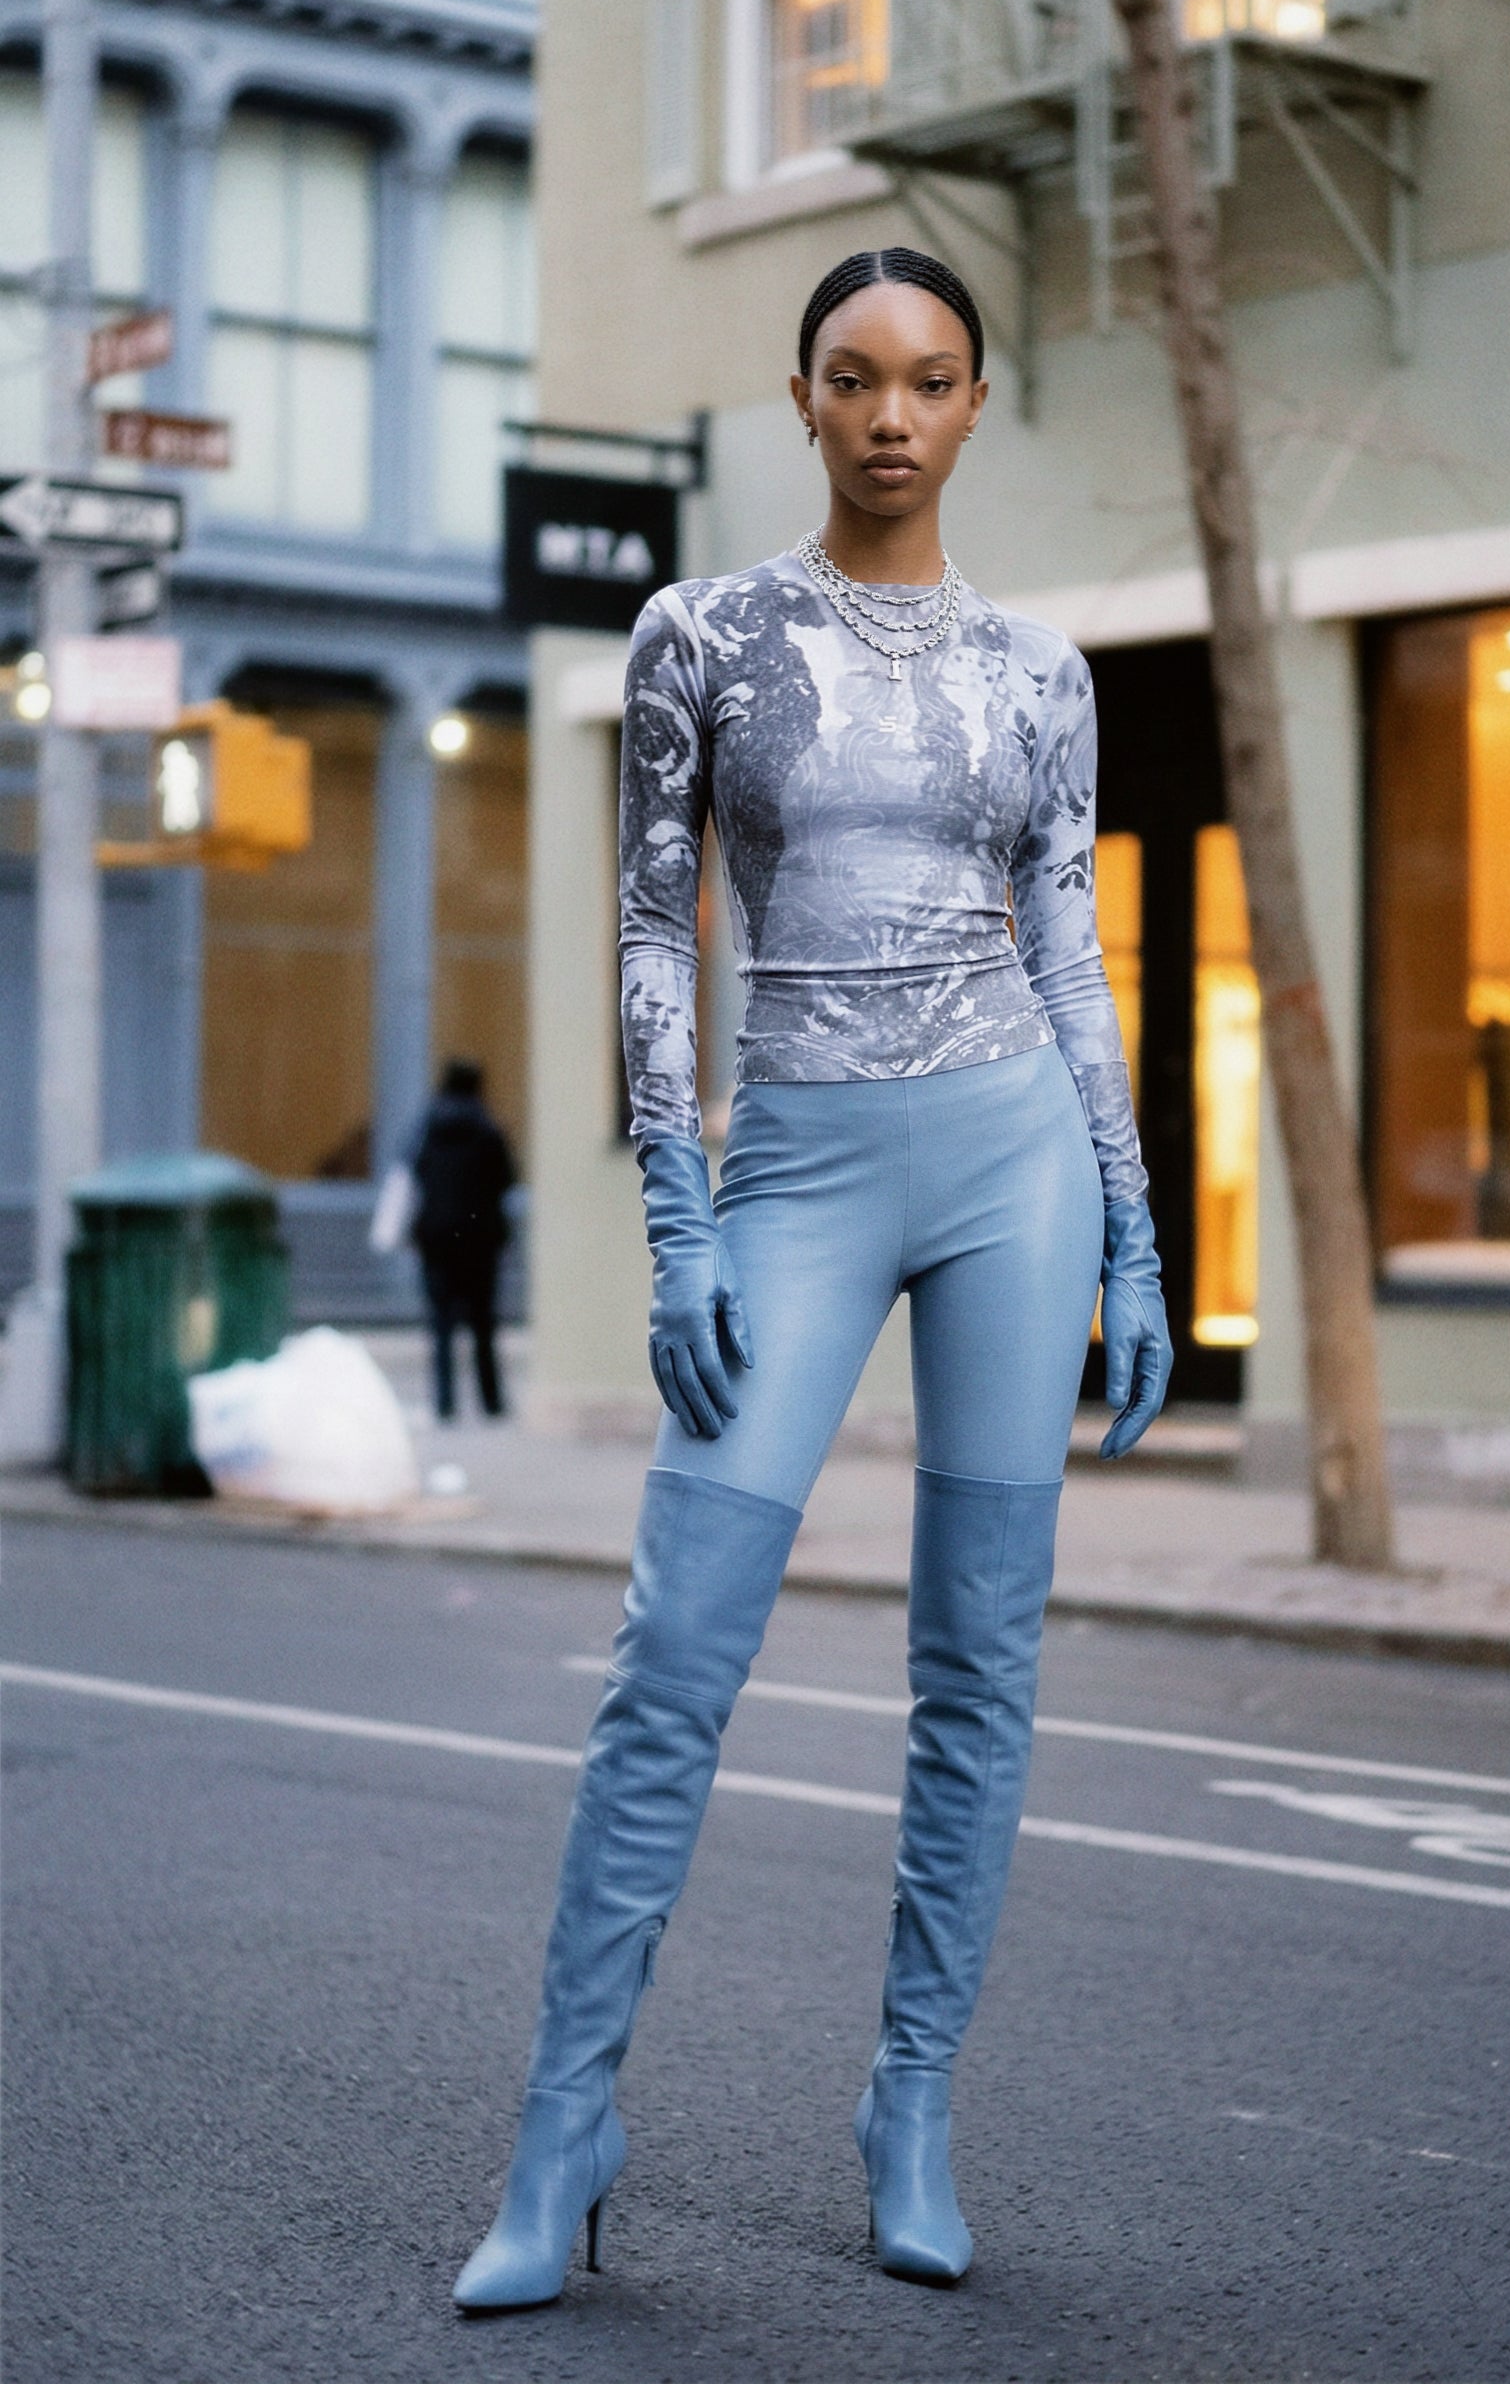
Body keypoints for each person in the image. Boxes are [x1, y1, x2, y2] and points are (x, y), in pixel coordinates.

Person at [452, 246, 1172, 2312]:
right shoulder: (702, 635)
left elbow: (1067, 956)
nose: (886, 413)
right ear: (798, 398)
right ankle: (560, 2129)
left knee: (982, 1662)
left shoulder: (1043, 672)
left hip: (1013, 1158)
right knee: (670, 1663)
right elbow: (656, 938)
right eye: (851, 378)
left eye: (927, 380)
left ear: (970, 408)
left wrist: (1125, 1225)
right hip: (795, 1164)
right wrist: (677, 1221)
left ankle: (913, 2103)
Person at [409, 1059, 517, 1421]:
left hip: (436, 1238)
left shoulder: (428, 1128)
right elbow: (506, 1177)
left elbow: (415, 1173)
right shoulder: (487, 1131)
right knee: (483, 1325)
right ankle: (491, 1401)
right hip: (479, 1240)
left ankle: (444, 1403)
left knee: (440, 1325)